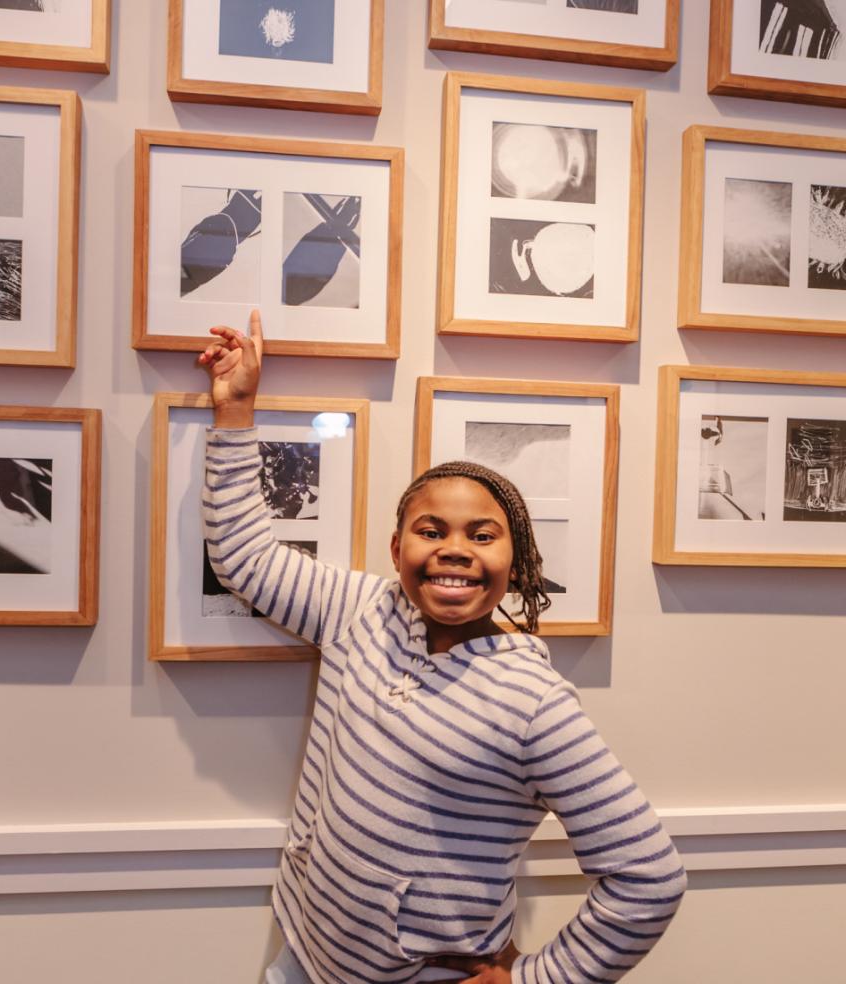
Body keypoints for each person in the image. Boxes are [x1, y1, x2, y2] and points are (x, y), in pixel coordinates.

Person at [200, 311, 686, 984]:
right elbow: (242, 557)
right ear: (398, 548)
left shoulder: (533, 703)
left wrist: (532, 982)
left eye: (482, 535)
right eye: (432, 530)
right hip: (302, 961)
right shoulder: (357, 610)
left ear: (516, 563)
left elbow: (649, 878)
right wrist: (236, 412)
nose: (454, 548)